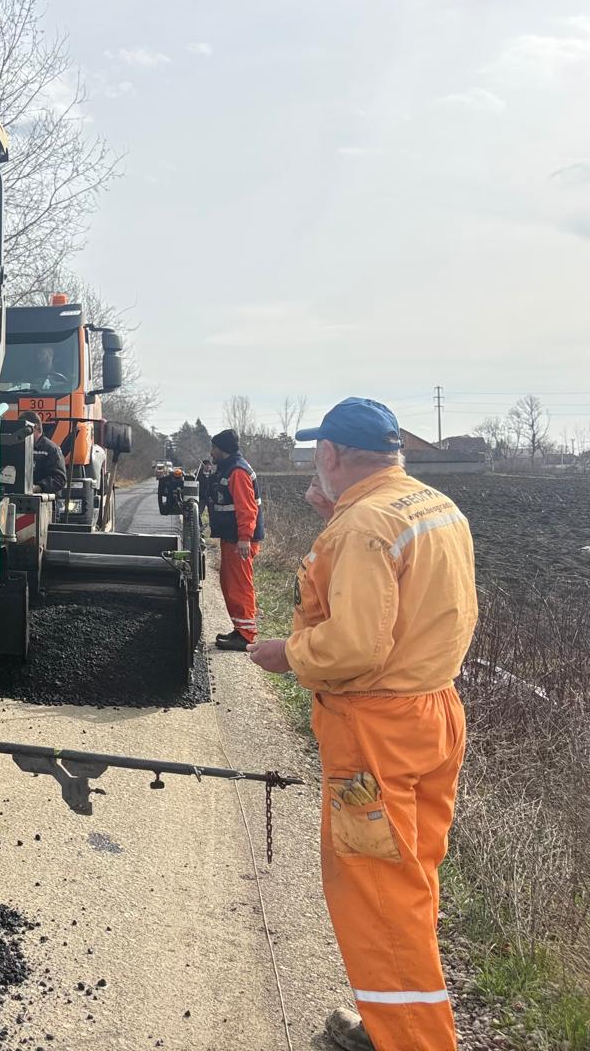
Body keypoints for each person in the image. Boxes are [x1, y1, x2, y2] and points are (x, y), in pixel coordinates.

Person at [247, 398, 477, 1051]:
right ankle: (391, 1027)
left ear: (331, 455)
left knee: (377, 904)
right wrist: (338, 524)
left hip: (374, 738)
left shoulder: (362, 527)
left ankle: (411, 1041)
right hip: (434, 717)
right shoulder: (432, 507)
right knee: (410, 885)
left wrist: (286, 654)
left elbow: (354, 648)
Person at [206, 429, 262, 649]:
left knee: (239, 585)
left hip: (240, 541)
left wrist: (244, 538)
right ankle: (239, 629)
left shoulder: (237, 472)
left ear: (222, 449)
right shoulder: (229, 469)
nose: (211, 452)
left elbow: (246, 509)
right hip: (233, 538)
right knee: (230, 583)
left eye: (214, 448)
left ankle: (246, 635)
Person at [20, 410, 65, 493]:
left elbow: (59, 479)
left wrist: (38, 487)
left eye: (24, 430)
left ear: (35, 427)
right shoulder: (19, 448)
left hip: (45, 499)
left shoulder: (51, 450)